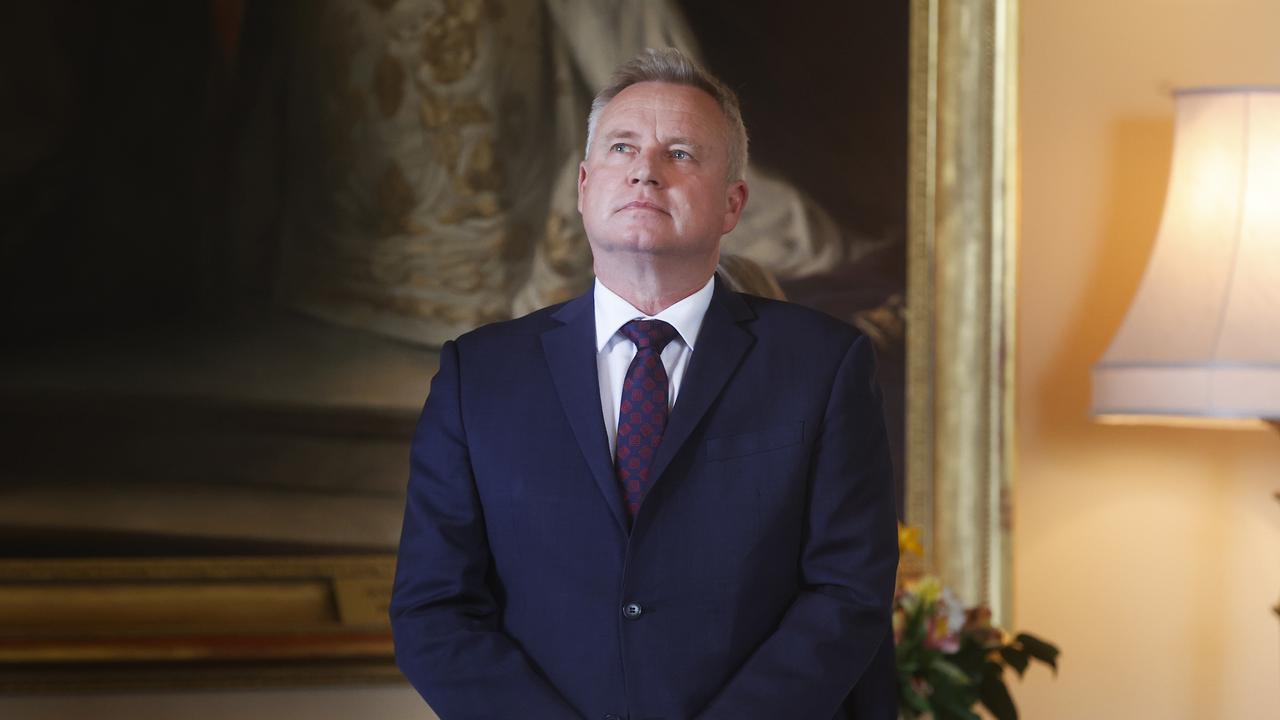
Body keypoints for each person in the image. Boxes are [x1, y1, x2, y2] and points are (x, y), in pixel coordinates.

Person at [390, 48, 899, 720]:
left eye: (681, 154)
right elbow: (435, 609)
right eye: (622, 147)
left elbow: (846, 594)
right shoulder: (477, 375)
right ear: (582, 187)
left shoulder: (824, 365)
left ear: (732, 204)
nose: (645, 172)